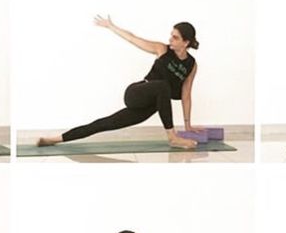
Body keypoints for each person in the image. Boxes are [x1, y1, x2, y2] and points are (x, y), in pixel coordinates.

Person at [37, 16, 201, 149]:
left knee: (104, 123)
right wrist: (111, 26)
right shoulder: (162, 49)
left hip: (149, 107)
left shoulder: (191, 65)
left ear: (185, 42)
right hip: (136, 93)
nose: (170, 39)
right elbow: (132, 38)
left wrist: (188, 125)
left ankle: (54, 139)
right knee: (163, 85)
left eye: (175, 37)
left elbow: (186, 95)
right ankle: (172, 137)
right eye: (171, 35)